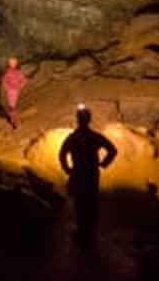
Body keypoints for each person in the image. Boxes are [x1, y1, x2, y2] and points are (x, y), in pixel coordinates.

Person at [59, 104, 117, 248]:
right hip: (91, 174)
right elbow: (113, 150)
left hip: (78, 173)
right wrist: (104, 163)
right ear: (89, 119)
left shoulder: (73, 137)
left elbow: (62, 154)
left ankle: (81, 235)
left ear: (77, 120)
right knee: (91, 205)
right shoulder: (95, 136)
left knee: (81, 205)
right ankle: (90, 235)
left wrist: (68, 169)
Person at [1, 56, 27, 129]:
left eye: (14, 62)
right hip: (10, 91)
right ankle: (14, 122)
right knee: (11, 107)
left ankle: (16, 123)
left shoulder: (18, 72)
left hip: (14, 91)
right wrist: (7, 88)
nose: (12, 64)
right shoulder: (8, 72)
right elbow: (4, 81)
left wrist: (19, 87)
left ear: (16, 63)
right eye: (11, 62)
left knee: (12, 107)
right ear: (9, 63)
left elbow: (24, 80)